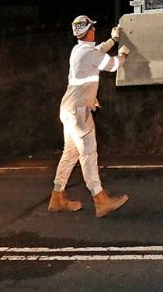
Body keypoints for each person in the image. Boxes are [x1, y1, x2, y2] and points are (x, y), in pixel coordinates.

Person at [48, 14, 131, 218]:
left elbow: (97, 52)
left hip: (69, 110)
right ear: (89, 30)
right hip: (79, 113)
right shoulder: (87, 52)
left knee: (71, 154)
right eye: (93, 28)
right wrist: (124, 53)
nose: (95, 30)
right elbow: (111, 65)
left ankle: (56, 197)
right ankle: (100, 199)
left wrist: (112, 40)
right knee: (88, 154)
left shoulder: (79, 50)